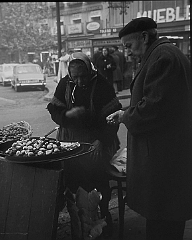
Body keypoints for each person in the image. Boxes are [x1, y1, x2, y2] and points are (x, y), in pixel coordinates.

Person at [106, 17, 192, 240]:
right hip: (167, 157)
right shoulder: (161, 54)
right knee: (165, 219)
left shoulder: (163, 57)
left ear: (144, 36)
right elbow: (154, 100)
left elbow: (153, 109)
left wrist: (126, 115)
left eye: (128, 46)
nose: (127, 53)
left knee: (163, 223)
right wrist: (126, 110)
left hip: (163, 160)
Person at [47, 52, 122, 239]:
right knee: (74, 182)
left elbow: (113, 119)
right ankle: (80, 224)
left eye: (83, 76)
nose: (80, 81)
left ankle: (102, 221)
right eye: (75, 77)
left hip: (96, 140)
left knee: (96, 179)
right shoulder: (65, 84)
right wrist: (66, 116)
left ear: (90, 70)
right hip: (70, 139)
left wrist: (101, 141)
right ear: (70, 74)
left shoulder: (102, 86)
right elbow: (54, 109)